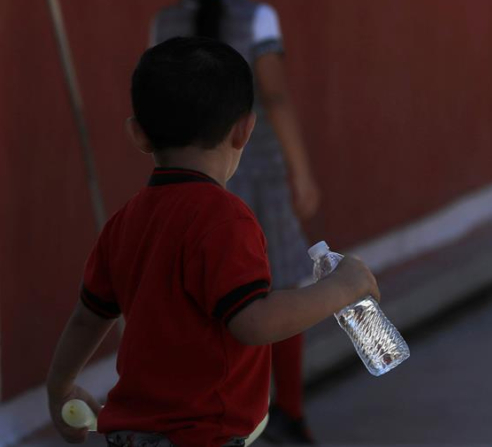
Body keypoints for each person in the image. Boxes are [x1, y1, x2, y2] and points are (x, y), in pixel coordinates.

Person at [45, 37, 379, 447]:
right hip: (202, 437)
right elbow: (254, 320)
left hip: (130, 436)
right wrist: (341, 288)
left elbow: (88, 316)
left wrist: (59, 387)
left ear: (138, 134)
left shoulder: (125, 221)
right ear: (245, 129)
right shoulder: (225, 220)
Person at [152, 1, 320, 442]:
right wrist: (300, 171)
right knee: (279, 285)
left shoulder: (165, 22)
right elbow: (275, 97)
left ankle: (220, 411)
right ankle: (287, 413)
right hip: (256, 168)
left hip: (186, 179)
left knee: (205, 299)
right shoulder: (256, 18)